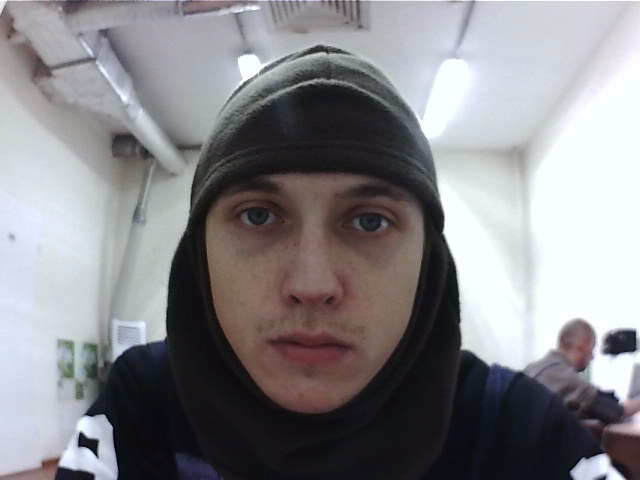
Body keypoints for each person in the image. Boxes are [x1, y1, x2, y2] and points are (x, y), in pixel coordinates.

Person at [56, 45, 616, 480]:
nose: (312, 284)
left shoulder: (523, 432)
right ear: (199, 253)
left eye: (369, 221)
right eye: (258, 215)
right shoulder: (143, 405)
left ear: (429, 265)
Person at [524, 318, 640, 424]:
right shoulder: (564, 378)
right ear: (582, 345)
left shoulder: (531, 368)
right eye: (592, 348)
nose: (592, 356)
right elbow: (616, 411)